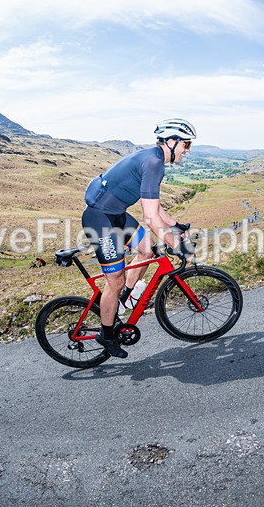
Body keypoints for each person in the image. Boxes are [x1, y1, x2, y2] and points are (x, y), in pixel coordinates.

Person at [82, 118, 195, 358]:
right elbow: (150, 218)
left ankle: (125, 298)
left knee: (146, 250)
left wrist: (174, 225)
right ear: (171, 142)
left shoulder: (153, 158)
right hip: (100, 219)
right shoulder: (154, 162)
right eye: (186, 145)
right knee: (115, 280)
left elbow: (153, 202)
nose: (187, 151)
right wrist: (177, 246)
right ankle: (106, 334)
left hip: (117, 214)